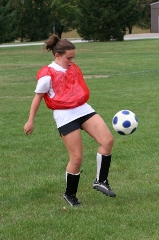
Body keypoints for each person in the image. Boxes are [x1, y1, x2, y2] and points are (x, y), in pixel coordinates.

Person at [24, 34, 116, 207]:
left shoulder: (71, 68)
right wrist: (30, 121)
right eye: (69, 58)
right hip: (65, 115)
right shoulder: (47, 74)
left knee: (107, 140)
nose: (72, 61)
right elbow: (37, 98)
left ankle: (100, 181)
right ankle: (70, 195)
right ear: (57, 56)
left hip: (83, 109)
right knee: (77, 158)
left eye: (73, 57)